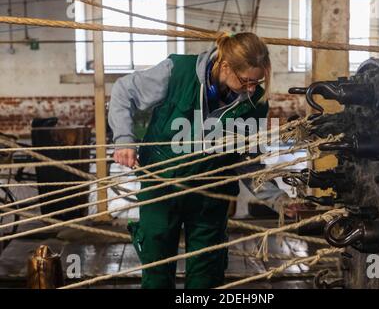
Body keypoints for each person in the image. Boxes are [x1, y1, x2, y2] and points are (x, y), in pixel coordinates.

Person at [108, 32, 271, 289]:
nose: (252, 89)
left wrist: (278, 199)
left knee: (206, 276)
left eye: (257, 82)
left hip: (211, 198)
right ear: (226, 66)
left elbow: (248, 162)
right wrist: (124, 139)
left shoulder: (255, 104)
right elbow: (123, 91)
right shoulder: (178, 72)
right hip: (161, 188)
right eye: (246, 81)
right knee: (157, 272)